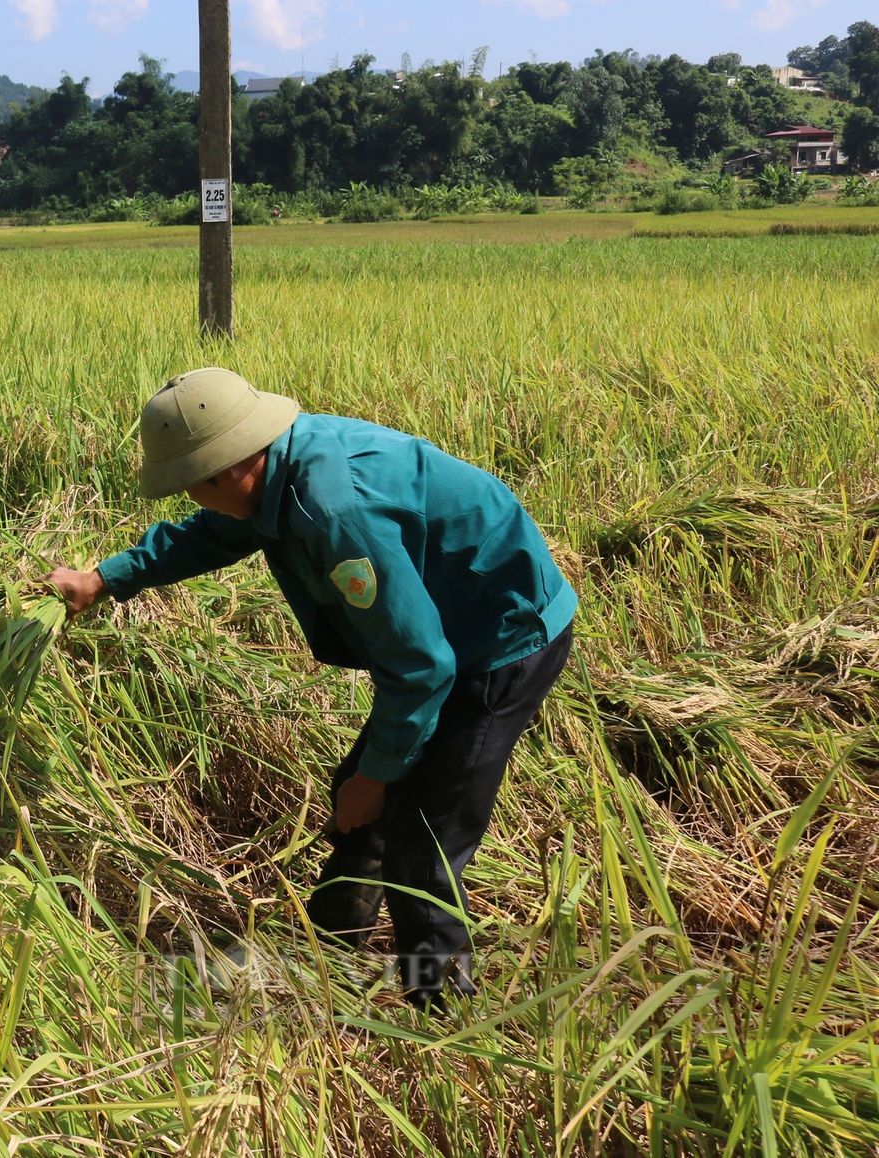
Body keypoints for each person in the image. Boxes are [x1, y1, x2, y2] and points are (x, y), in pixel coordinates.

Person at [48, 368, 576, 1008]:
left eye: (193, 484)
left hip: (501, 638)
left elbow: (421, 667)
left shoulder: (331, 511)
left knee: (423, 848)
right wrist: (104, 580)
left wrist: (376, 780)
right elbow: (212, 534)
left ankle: (445, 1016)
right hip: (446, 620)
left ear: (228, 467)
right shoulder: (272, 467)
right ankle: (330, 954)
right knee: (361, 791)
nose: (191, 498)